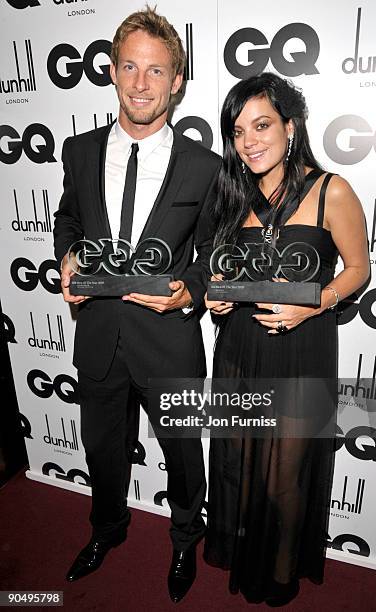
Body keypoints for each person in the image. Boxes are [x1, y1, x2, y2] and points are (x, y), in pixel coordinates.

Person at [53, 6, 220, 603]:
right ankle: (106, 530)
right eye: (130, 67)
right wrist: (68, 255)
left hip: (168, 340)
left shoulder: (206, 168)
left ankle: (183, 540)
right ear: (114, 73)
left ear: (177, 80)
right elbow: (68, 218)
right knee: (101, 449)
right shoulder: (78, 150)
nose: (141, 83)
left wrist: (190, 290)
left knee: (181, 455)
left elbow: (214, 258)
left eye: (156, 71)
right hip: (98, 333)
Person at [203, 72, 370, 607]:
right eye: (237, 131)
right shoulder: (233, 194)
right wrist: (219, 296)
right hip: (241, 348)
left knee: (284, 478)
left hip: (301, 349)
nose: (248, 141)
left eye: (261, 125)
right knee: (239, 464)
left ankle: (279, 574)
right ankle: (244, 558)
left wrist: (311, 302)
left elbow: (358, 269)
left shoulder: (330, 189)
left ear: (290, 128)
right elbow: (224, 273)